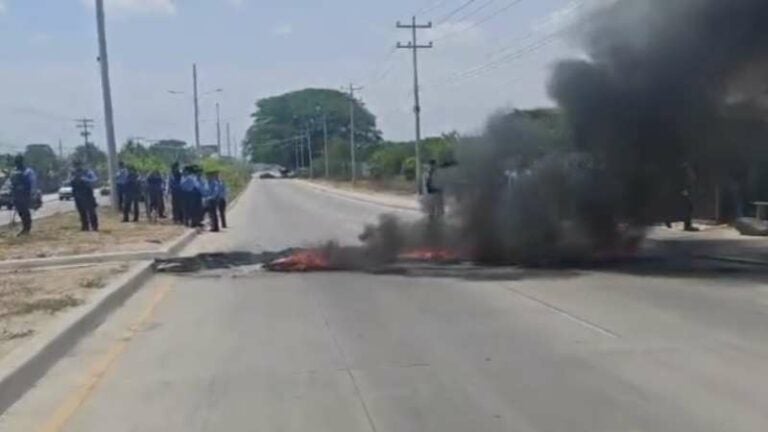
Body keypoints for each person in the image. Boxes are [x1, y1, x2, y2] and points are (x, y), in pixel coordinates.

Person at [9, 155, 36, 236]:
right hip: (16, 194)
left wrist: (32, 193)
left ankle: (27, 228)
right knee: (20, 211)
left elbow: (32, 182)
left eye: (18, 161)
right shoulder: (13, 171)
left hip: (25, 194)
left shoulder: (28, 171)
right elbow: (10, 182)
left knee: (25, 211)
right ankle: (25, 227)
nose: (17, 163)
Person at [70, 160, 99, 231]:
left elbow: (95, 180)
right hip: (78, 195)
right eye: (75, 166)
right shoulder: (73, 174)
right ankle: (85, 226)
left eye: (78, 165)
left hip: (87, 194)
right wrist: (73, 179)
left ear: (81, 165)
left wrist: (84, 179)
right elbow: (69, 182)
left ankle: (94, 227)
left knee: (91, 212)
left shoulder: (87, 172)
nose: (77, 167)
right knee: (81, 212)